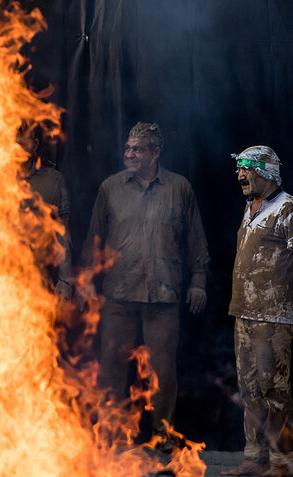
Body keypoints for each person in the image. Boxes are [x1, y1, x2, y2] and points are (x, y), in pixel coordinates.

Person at [84, 121, 209, 450]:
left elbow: (195, 240)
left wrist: (199, 281)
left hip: (163, 295)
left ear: (156, 152)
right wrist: (85, 283)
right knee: (112, 368)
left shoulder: (179, 188)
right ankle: (111, 435)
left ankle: (163, 435)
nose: (130, 154)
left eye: (137, 149)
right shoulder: (110, 188)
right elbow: (93, 240)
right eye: (127, 148)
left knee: (163, 371)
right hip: (119, 294)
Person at [222, 146, 293, 477]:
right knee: (248, 386)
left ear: (266, 172)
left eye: (247, 170)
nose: (240, 176)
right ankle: (255, 457)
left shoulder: (289, 209)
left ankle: (283, 461)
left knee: (274, 388)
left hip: (274, 314)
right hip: (244, 312)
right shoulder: (249, 206)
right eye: (238, 169)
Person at [18, 121, 74, 300]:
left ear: (34, 145)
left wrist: (65, 279)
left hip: (39, 280)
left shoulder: (53, 180)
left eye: (23, 144)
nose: (17, 149)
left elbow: (62, 232)